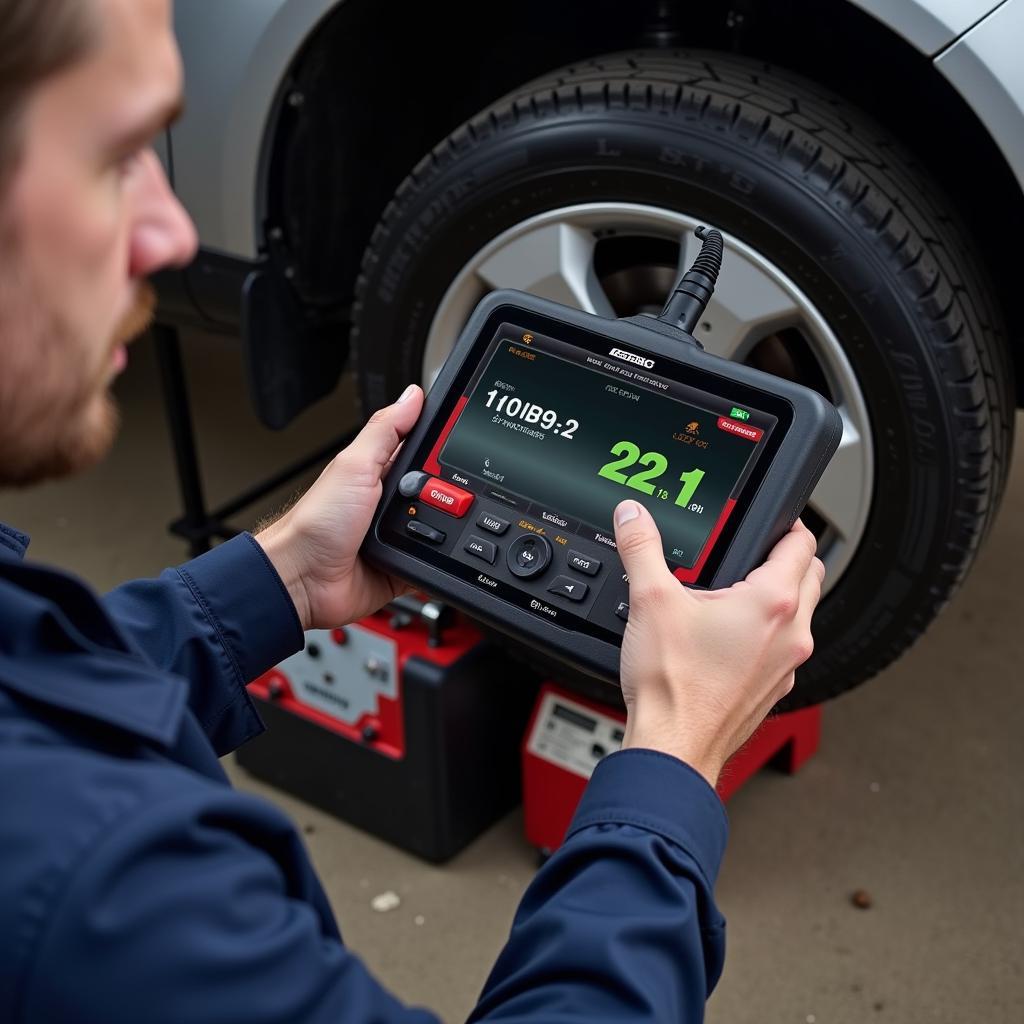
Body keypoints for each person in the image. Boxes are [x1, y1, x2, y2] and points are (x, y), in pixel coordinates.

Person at [0, 1, 824, 1021]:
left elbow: (32, 679)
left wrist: (278, 579)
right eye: (117, 153)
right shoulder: (103, 889)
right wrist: (671, 762)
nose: (173, 232)